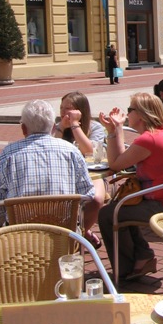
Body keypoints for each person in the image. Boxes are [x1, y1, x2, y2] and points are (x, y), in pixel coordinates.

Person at [98, 93, 163, 281]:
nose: (127, 114)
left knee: (108, 214)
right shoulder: (159, 135)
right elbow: (121, 160)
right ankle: (142, 257)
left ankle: (125, 271)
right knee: (121, 206)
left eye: (130, 109)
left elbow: (115, 164)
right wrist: (115, 129)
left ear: (141, 114)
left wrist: (114, 130)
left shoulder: (149, 139)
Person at [0, 100, 94, 230]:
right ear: (53, 127)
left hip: (19, 235)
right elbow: (88, 194)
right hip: (64, 234)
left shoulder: (8, 154)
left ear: (24, 128)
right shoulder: (71, 151)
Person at [53, 91, 107, 248]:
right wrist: (61, 128)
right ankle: (77, 232)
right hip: (63, 173)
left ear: (80, 110)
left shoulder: (95, 127)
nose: (63, 112)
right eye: (61, 108)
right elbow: (52, 148)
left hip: (92, 172)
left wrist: (75, 125)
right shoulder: (58, 127)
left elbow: (91, 153)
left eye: (68, 108)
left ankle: (80, 233)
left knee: (96, 199)